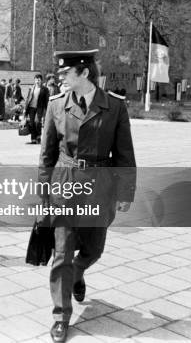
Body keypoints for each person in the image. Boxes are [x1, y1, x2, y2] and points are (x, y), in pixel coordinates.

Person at [38, 49, 136, 343]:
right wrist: (43, 192)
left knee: (93, 250)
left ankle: (78, 273)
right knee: (62, 253)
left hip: (99, 186)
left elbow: (124, 153)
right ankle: (60, 316)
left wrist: (125, 192)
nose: (60, 77)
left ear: (83, 73)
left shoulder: (115, 107)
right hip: (65, 184)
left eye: (65, 73)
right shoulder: (56, 105)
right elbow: (46, 154)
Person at [24, 73, 50, 144]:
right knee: (31, 123)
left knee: (37, 122)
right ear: (34, 80)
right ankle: (33, 139)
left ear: (41, 80)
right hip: (31, 108)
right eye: (36, 80)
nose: (37, 81)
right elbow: (28, 98)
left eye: (38, 80)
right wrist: (25, 109)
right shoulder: (31, 88)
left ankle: (38, 137)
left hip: (39, 108)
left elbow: (47, 100)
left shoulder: (45, 89)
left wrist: (47, 109)